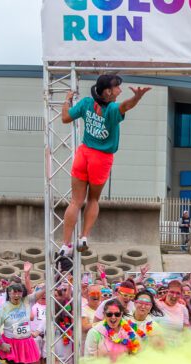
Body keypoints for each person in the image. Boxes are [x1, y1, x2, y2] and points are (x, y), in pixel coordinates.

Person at [59, 74, 151, 257]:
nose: (120, 89)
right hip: (101, 159)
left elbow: (65, 118)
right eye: (117, 87)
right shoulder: (112, 109)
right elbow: (126, 105)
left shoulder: (86, 103)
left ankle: (65, 244)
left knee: (75, 201)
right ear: (108, 92)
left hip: (83, 154)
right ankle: (83, 237)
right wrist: (137, 97)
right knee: (93, 199)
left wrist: (67, 99)